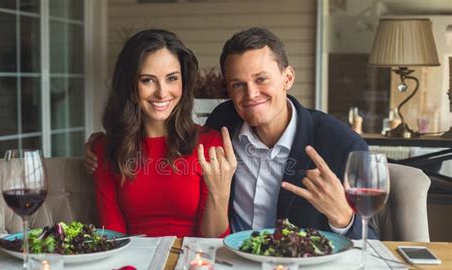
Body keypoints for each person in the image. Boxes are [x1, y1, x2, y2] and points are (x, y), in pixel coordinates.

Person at [86, 27, 377, 239]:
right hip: (227, 262)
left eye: (261, 79)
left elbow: (373, 243)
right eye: (238, 84)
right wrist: (100, 143)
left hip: (297, 268)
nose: (251, 94)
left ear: (287, 77)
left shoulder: (340, 145)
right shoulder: (223, 124)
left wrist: (343, 217)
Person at [92, 29, 236, 238]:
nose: (162, 92)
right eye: (148, 80)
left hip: (194, 263)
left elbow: (213, 241)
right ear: (130, 85)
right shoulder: (105, 149)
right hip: (134, 264)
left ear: (183, 82)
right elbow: (114, 237)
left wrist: (220, 193)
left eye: (172, 78)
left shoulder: (209, 143)